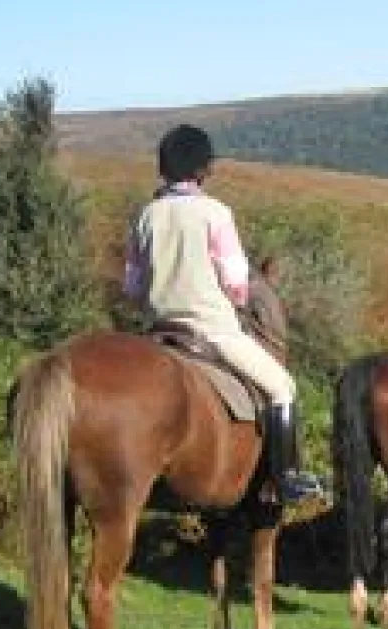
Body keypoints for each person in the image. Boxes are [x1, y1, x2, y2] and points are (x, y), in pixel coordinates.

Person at [122, 124, 322, 503]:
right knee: (282, 387)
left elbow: (131, 287)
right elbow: (235, 283)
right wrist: (239, 299)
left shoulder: (145, 216)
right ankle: (284, 480)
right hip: (210, 331)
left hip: (157, 331)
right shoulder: (215, 214)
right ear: (202, 170)